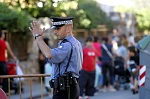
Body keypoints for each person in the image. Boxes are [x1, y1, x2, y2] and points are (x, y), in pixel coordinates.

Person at [29, 17, 83, 99]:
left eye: (58, 28)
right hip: (70, 87)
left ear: (68, 28)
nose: (55, 31)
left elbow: (48, 54)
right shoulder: (76, 42)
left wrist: (38, 37)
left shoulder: (67, 45)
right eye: (54, 29)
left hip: (65, 89)